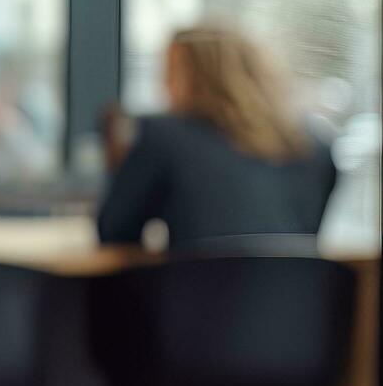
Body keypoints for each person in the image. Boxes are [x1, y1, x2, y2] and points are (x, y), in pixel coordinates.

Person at [97, 26, 337, 249]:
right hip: (297, 294)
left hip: (195, 291)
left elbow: (114, 231)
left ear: (196, 79)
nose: (164, 85)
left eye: (171, 72)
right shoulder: (315, 147)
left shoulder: (165, 136)